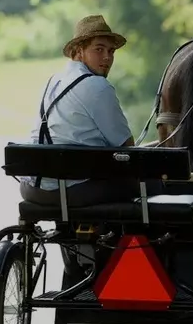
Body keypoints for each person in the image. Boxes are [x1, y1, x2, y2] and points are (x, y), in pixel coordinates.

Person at [19, 14, 137, 207]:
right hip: (69, 191)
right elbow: (127, 149)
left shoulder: (53, 81)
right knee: (153, 184)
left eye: (111, 51)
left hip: (32, 188)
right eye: (99, 49)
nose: (107, 57)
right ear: (78, 51)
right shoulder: (98, 86)